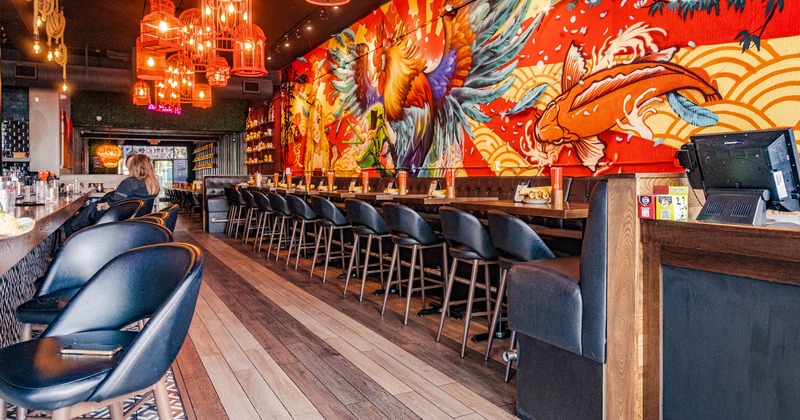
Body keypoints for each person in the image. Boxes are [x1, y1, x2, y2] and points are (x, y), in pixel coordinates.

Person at [64, 154, 160, 235]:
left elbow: (113, 203)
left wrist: (102, 206)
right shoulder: (153, 184)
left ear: (134, 166)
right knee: (92, 208)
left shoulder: (130, 182)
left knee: (94, 206)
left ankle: (71, 229)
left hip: (118, 218)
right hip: (134, 219)